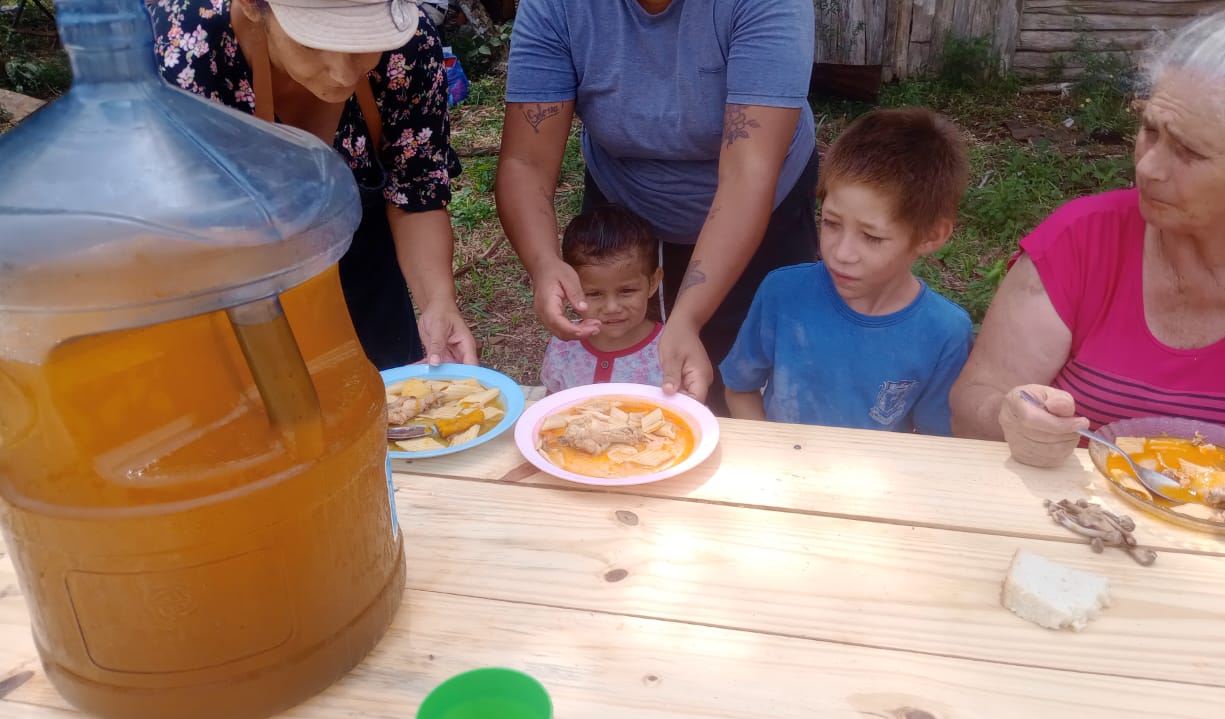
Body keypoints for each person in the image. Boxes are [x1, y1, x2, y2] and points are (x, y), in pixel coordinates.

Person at [948, 1, 1225, 527]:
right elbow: (972, 408)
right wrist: (1009, 417)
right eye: (1149, 129)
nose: (1147, 166)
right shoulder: (1079, 241)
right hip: (1075, 535)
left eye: (1189, 153)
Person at [496, 0, 819, 413]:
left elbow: (747, 174)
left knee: (752, 381)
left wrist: (688, 317)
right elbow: (526, 162)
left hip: (761, 204)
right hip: (626, 203)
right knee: (634, 404)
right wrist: (543, 262)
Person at [151, 0, 477, 370]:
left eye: (361, 42)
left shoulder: (407, 41)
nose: (342, 73)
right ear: (253, 8)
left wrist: (438, 302)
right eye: (311, 43)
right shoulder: (188, 50)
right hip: (231, 275)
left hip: (364, 253)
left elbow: (416, 192)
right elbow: (184, 237)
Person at [719, 108, 973, 434]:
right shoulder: (782, 294)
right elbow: (740, 388)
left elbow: (935, 444)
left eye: (871, 237)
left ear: (931, 236)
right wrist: (776, 459)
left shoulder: (945, 333)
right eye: (831, 223)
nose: (841, 253)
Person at [540, 205, 664, 394]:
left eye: (627, 291)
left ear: (653, 282)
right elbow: (552, 403)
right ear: (569, 287)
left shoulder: (668, 349)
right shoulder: (563, 346)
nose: (612, 307)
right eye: (594, 294)